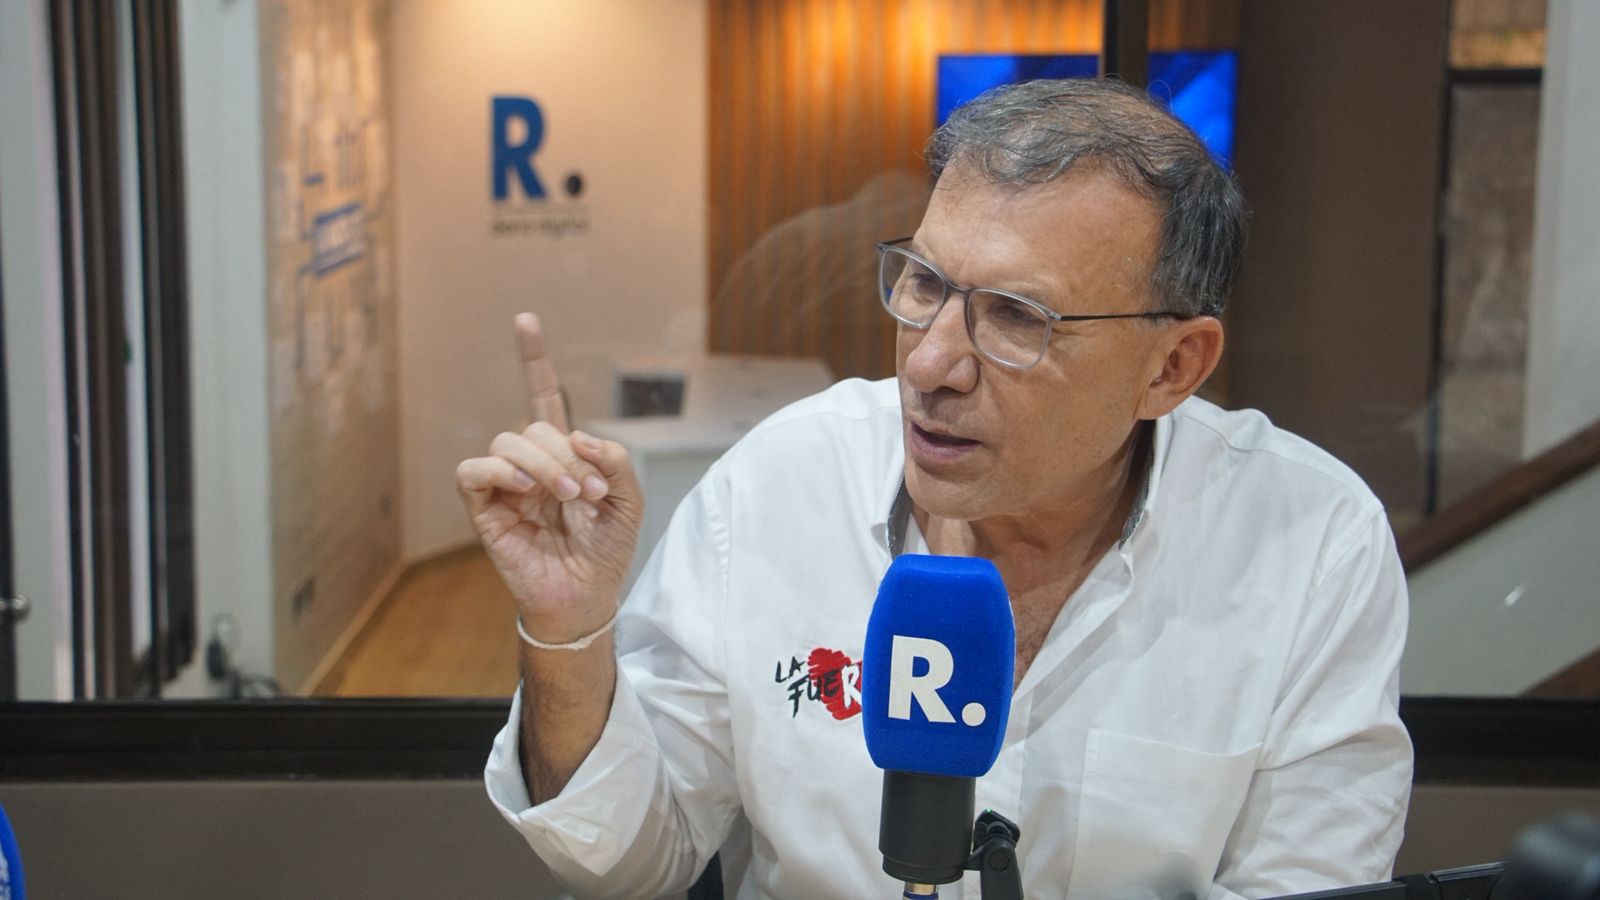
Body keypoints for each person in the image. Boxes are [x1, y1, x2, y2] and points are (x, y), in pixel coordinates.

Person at [458, 78, 1412, 899]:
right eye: (923, 284)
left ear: (1172, 368)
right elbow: (633, 862)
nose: (929, 365)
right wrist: (567, 633)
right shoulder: (784, 480)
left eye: (1016, 317)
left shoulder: (1311, 545)